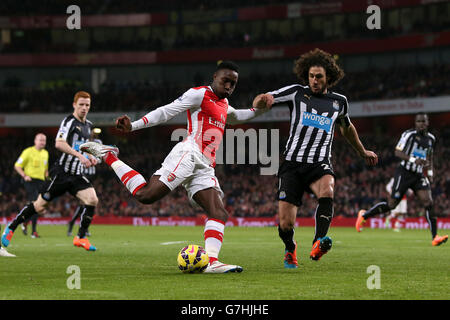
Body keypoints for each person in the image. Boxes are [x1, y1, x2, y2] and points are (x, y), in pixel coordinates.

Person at [81, 61, 273, 273]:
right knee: (146, 196)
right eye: (225, 81)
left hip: (205, 165)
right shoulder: (199, 94)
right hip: (188, 154)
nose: (228, 86)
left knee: (218, 212)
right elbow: (166, 112)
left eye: (233, 84)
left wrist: (260, 109)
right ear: (215, 77)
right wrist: (134, 126)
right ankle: (109, 156)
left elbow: (239, 117)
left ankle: (212, 262)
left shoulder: (225, 106)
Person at [253, 48, 378, 268]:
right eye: (311, 76)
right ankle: (290, 248)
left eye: (319, 76)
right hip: (292, 164)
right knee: (285, 224)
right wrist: (263, 100)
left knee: (328, 189)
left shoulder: (339, 102)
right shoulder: (296, 93)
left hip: (319, 162)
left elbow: (347, 129)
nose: (314, 80)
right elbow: (264, 99)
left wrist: (362, 151)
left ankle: (318, 241)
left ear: (328, 77)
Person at [2, 91, 100, 252]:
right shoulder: (69, 122)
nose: (84, 108)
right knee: (40, 206)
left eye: (87, 105)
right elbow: (59, 143)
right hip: (61, 173)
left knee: (92, 199)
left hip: (76, 175)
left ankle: (81, 237)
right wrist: (79, 156)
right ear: (74, 105)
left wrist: (90, 156)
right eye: (81, 104)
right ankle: (11, 227)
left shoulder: (88, 125)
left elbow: (84, 146)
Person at [356, 112, 448, 246]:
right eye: (419, 121)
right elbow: (397, 151)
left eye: (423, 121)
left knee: (429, 203)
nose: (421, 124)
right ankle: (364, 215)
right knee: (392, 204)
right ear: (415, 123)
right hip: (404, 173)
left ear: (428, 123)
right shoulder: (408, 135)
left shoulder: (431, 139)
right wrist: (413, 159)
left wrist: (430, 172)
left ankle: (435, 237)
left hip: (418, 176)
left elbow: (429, 157)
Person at [67, 127, 102, 237]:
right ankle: (80, 227)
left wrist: (95, 160)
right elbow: (76, 154)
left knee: (88, 203)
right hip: (82, 173)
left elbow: (99, 157)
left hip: (93, 175)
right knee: (85, 203)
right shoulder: (80, 141)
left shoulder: (98, 142)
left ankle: (77, 225)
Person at [14, 133, 49, 238]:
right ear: (35, 141)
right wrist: (24, 175)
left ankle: (24, 221)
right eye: (40, 140)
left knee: (38, 206)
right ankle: (33, 231)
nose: (42, 142)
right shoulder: (28, 152)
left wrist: (47, 176)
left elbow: (45, 168)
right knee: (36, 203)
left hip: (41, 182)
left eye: (44, 140)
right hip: (30, 180)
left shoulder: (46, 153)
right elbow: (17, 165)